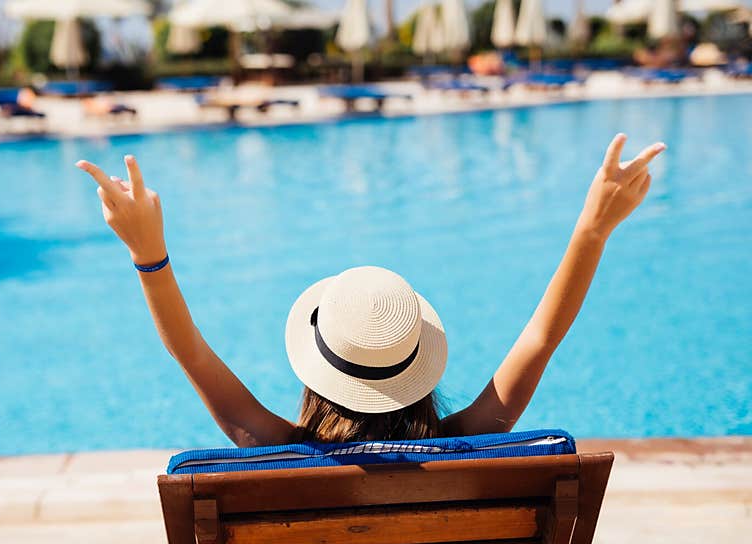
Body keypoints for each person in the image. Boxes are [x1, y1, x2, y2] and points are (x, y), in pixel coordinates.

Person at [76, 133, 665, 447]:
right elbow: (540, 339)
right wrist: (593, 229)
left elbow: (192, 354)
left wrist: (148, 254)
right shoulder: (471, 440)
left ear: (317, 366)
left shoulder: (275, 450)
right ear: (417, 362)